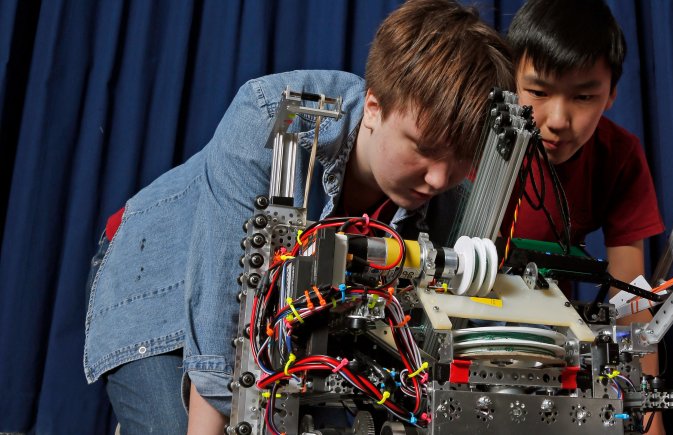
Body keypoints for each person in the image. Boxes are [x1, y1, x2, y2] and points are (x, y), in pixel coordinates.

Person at [83, 0, 514, 433]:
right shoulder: (271, 118)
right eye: (422, 148)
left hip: (287, 326)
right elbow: (222, 318)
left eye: (461, 157)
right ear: (375, 106)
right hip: (157, 278)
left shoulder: (452, 200)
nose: (439, 177)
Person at [505, 0, 665, 432]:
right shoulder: (472, 135)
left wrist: (648, 417)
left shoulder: (619, 156)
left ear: (612, 94)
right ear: (509, 80)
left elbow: (628, 300)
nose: (558, 120)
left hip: (551, 357)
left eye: (583, 96)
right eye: (537, 92)